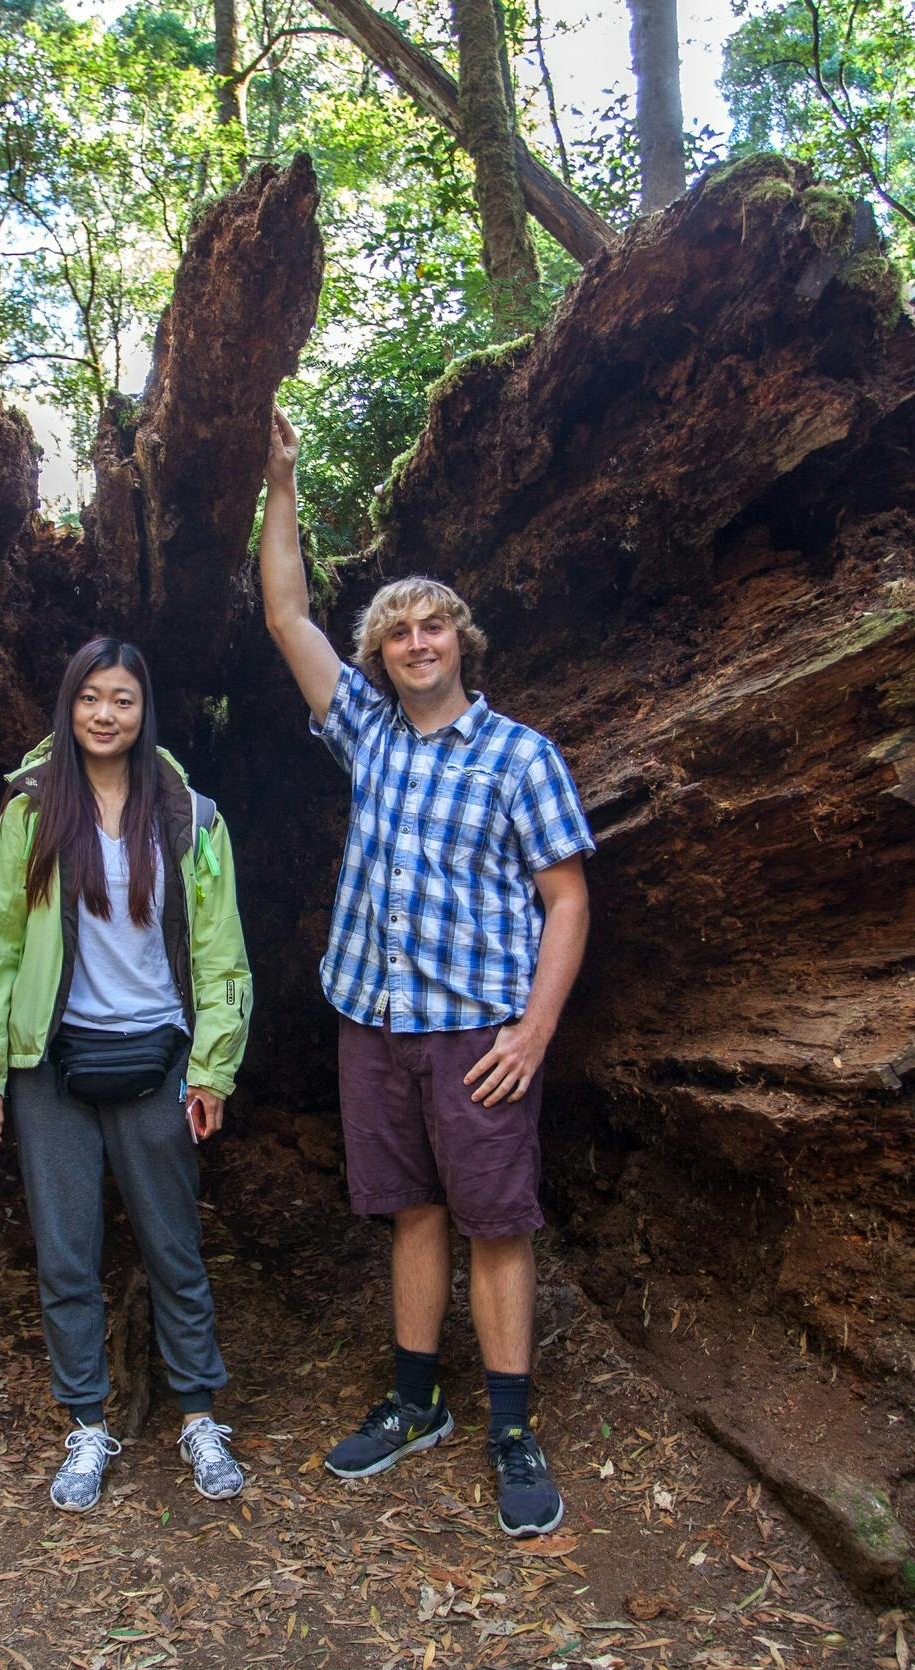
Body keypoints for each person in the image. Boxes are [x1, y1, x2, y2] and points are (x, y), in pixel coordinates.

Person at [258, 408, 594, 1540]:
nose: (416, 642)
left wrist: (536, 1032)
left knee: (497, 1222)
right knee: (409, 1211)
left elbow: (568, 900)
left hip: (481, 1033)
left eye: (433, 626)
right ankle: (416, 1403)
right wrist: (282, 480)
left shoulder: (518, 755)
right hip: (375, 1019)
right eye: (397, 630)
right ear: (380, 657)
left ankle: (510, 1427)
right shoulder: (366, 734)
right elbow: (286, 612)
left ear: (463, 642)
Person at [0, 638, 255, 1514]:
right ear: (69, 705)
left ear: (142, 710)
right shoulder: (30, 813)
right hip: (51, 1062)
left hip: (158, 1055)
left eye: (122, 698)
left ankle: (198, 1411)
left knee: (173, 1244)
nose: (105, 714)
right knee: (67, 1252)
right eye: (90, 697)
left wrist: (213, 1068)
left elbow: (221, 950)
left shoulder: (190, 818)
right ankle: (87, 1421)